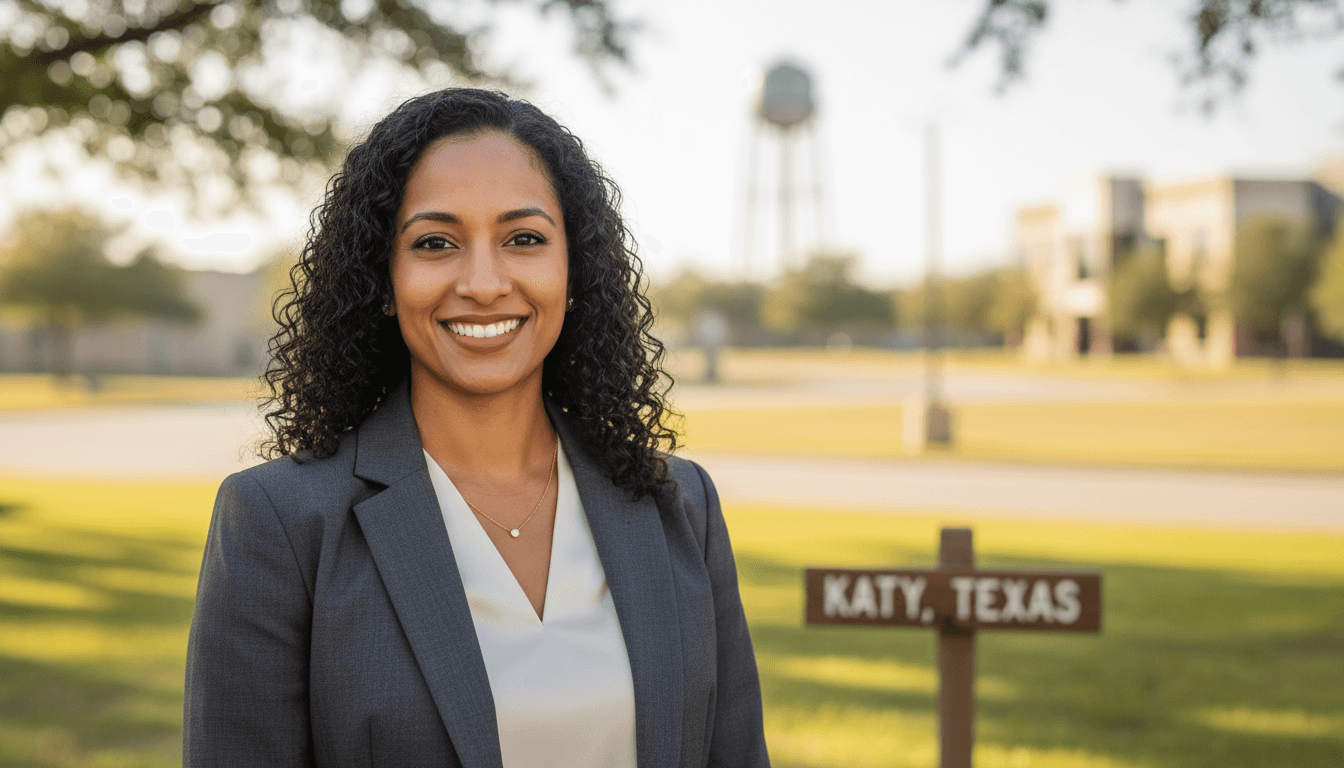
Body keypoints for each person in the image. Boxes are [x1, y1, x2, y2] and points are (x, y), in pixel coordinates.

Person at [183, 88, 770, 768]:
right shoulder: (280, 522)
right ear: (383, 277)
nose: (485, 282)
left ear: (573, 270)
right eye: (436, 243)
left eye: (524, 239)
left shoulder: (680, 505)